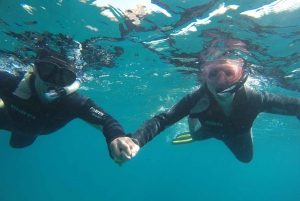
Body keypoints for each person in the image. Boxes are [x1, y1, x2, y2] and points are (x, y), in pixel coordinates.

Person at [113, 58, 300, 164]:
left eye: (228, 73)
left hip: (239, 133)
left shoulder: (255, 98)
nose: (221, 80)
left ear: (240, 76)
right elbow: (162, 120)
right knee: (195, 135)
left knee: (246, 159)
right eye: (213, 74)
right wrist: (135, 139)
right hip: (207, 130)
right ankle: (193, 120)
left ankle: (243, 128)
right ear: (205, 78)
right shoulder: (196, 98)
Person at [0, 49, 138, 165]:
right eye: (47, 70)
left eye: (64, 76)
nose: (53, 81)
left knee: (18, 144)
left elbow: (107, 121)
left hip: (28, 133)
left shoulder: (72, 101)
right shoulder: (9, 81)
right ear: (36, 68)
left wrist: (116, 136)